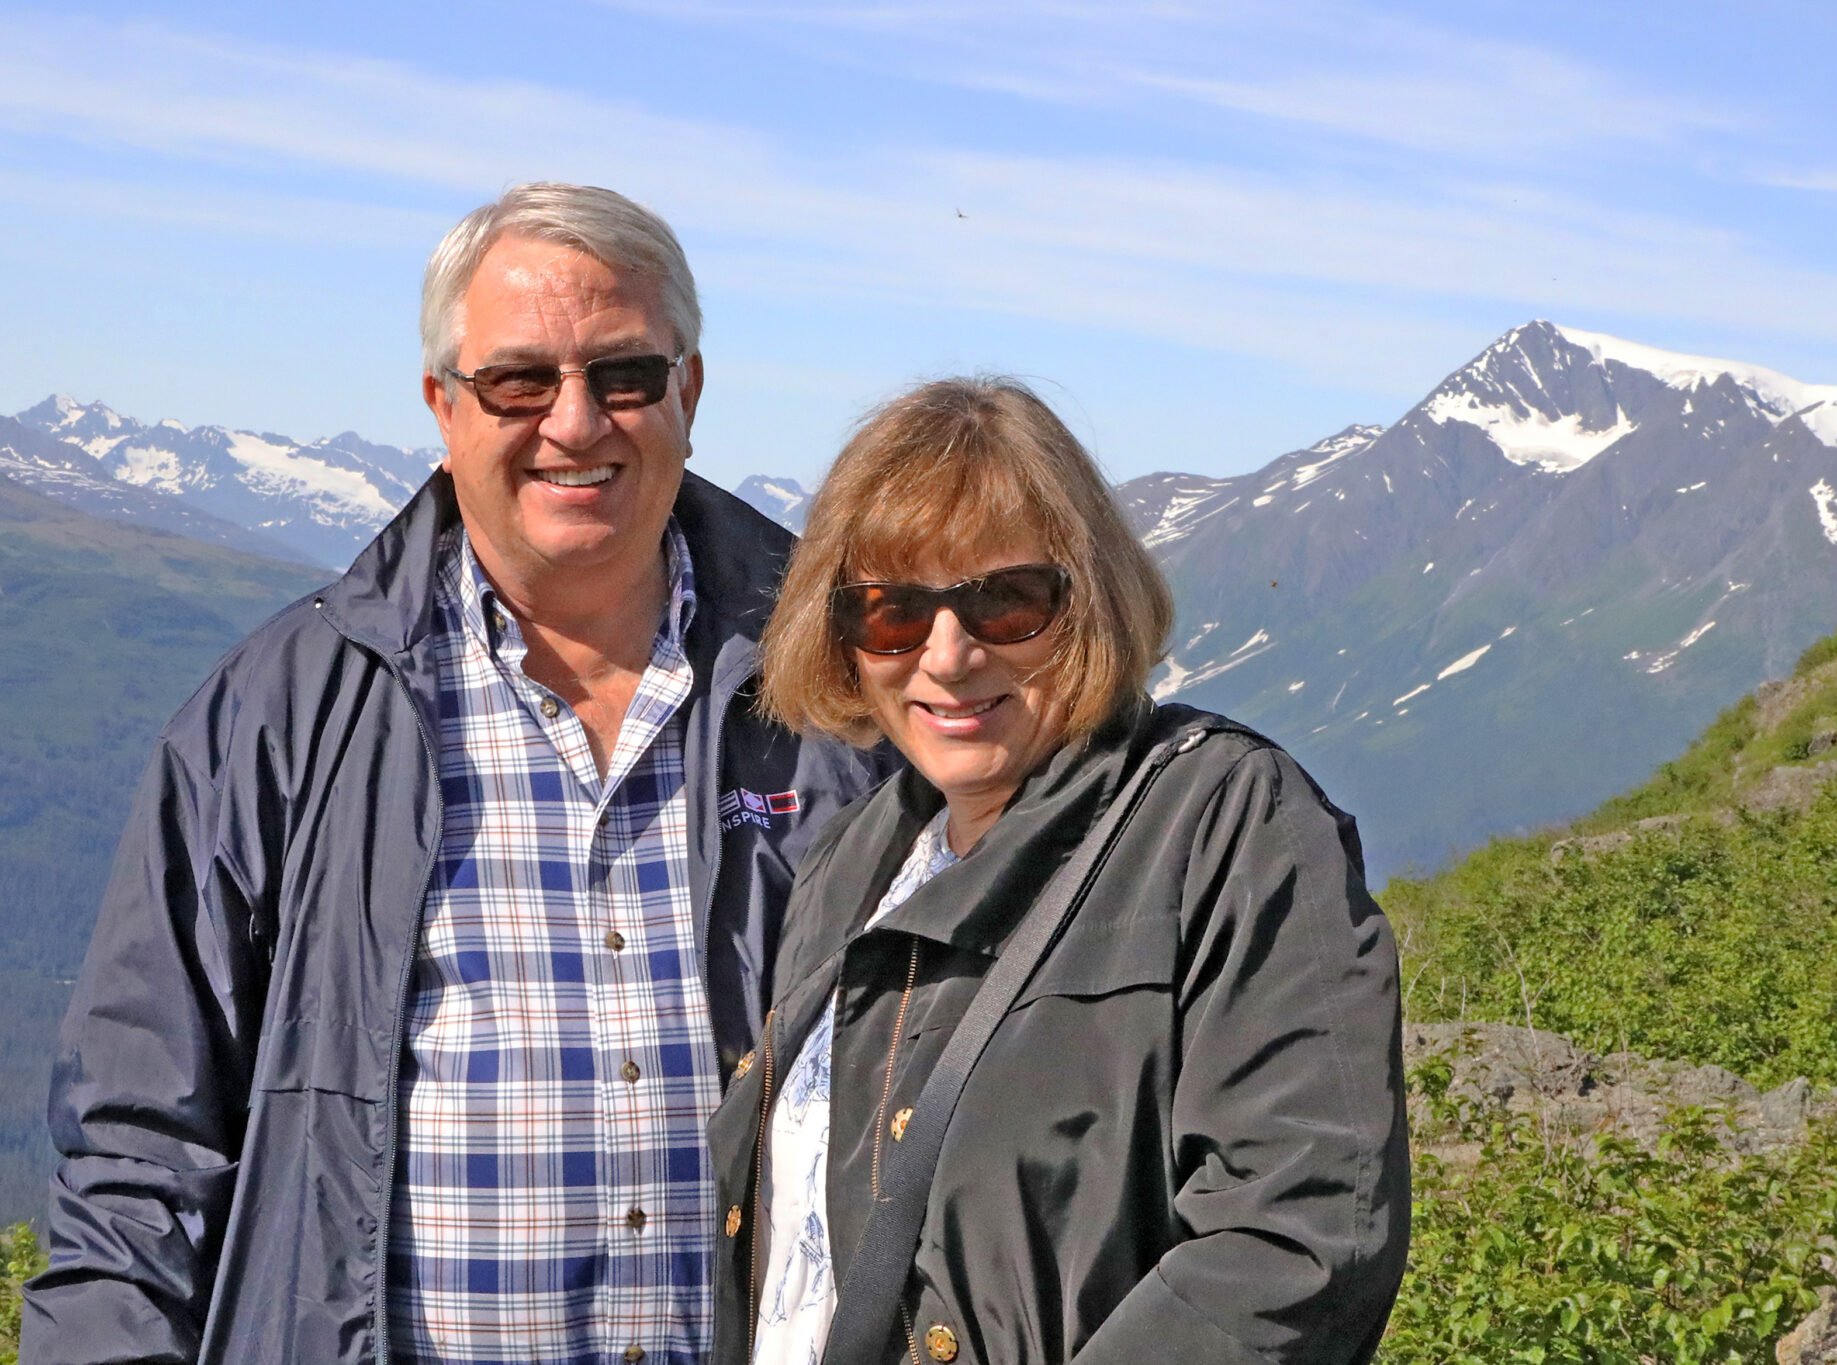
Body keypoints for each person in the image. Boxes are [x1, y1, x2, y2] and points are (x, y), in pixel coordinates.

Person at [23, 183, 889, 1365]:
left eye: (623, 375)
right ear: (444, 404)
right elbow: (138, 1147)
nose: (574, 424)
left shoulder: (845, 687)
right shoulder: (281, 713)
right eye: (519, 381)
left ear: (687, 393)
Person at [708, 377, 1409, 1364]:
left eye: (1004, 602)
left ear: (1086, 603)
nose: (945, 656)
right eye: (891, 613)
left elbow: (1300, 1238)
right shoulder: (856, 859)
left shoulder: (1220, 827)